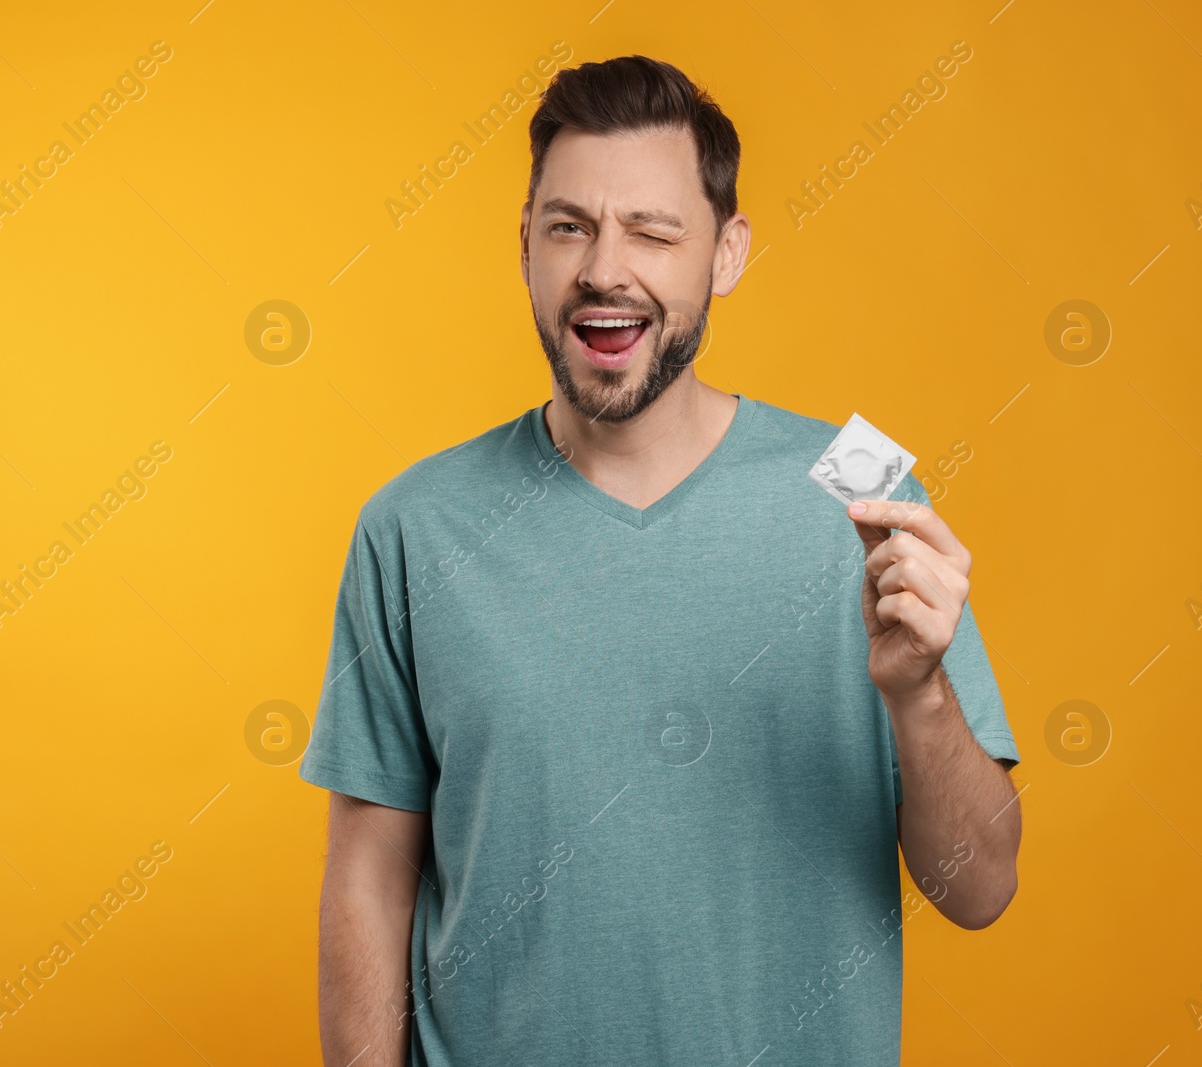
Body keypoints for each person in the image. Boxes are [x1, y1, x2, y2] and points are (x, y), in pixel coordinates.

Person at [300, 54, 1022, 1067]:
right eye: (569, 226)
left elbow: (980, 889)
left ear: (725, 253)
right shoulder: (413, 525)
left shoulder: (860, 491)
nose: (604, 267)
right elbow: (370, 878)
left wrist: (923, 698)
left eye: (652, 230)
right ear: (524, 249)